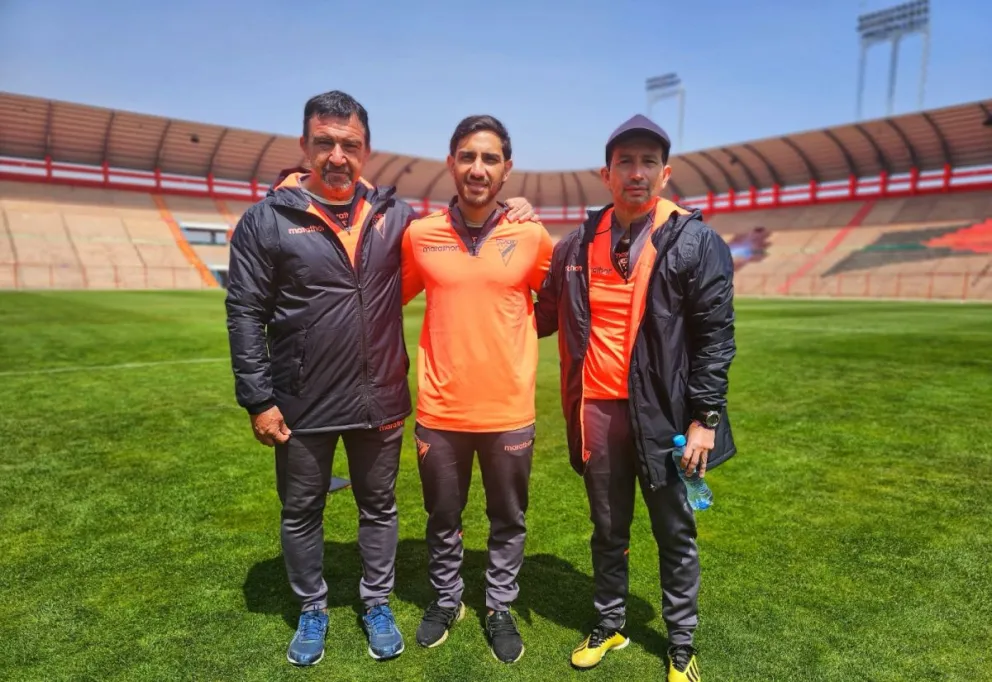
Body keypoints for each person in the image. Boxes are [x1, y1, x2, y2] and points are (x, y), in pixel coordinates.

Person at [225, 91, 535, 667]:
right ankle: (313, 608)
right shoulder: (267, 219)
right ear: (304, 147)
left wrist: (512, 208)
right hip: (300, 401)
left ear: (366, 151)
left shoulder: (396, 219)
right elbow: (244, 311)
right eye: (324, 143)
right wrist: (259, 399)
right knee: (300, 512)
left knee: (380, 508)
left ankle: (376, 603)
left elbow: (465, 240)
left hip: (380, 396)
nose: (337, 156)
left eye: (350, 145)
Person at [534, 114, 737, 682]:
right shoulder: (575, 243)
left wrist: (705, 420)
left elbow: (716, 337)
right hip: (596, 410)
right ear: (607, 172)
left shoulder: (695, 240)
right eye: (626, 161)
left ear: (665, 174)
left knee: (674, 530)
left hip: (667, 418)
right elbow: (540, 316)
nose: (637, 173)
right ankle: (610, 621)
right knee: (608, 528)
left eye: (649, 162)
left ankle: (681, 644)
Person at [400, 115, 553, 664]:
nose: (478, 168)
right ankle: (447, 599)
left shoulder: (531, 234)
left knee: (507, 519)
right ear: (452, 163)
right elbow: (380, 300)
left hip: (509, 410)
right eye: (468, 156)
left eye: (490, 159)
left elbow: (560, 300)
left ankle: (500, 606)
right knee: (443, 517)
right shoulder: (420, 236)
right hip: (439, 410)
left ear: (506, 169)